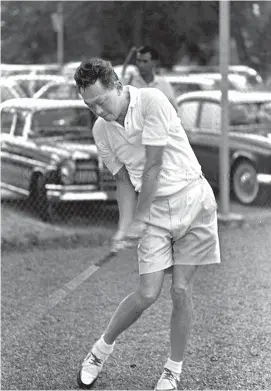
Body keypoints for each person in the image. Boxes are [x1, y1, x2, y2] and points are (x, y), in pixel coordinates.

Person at [74, 58, 221, 390]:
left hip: (193, 200)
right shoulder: (102, 130)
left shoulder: (152, 100)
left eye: (101, 101)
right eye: (89, 105)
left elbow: (153, 166)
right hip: (151, 210)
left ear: (117, 86)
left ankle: (173, 370)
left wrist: (139, 219)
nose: (97, 110)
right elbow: (124, 182)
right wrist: (124, 228)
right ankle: (100, 350)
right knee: (146, 293)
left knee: (181, 290)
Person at [121, 45, 177, 110]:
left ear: (154, 63)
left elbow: (174, 110)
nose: (141, 65)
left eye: (145, 61)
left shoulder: (163, 85)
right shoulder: (129, 82)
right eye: (138, 61)